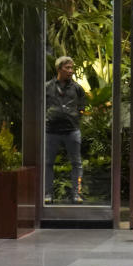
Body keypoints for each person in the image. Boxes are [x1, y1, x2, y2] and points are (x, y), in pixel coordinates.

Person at [45, 56, 86, 204]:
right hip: (51, 131)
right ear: (59, 69)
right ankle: (47, 194)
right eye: (67, 68)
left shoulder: (77, 88)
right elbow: (42, 106)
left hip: (72, 130)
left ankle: (76, 194)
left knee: (76, 163)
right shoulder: (47, 87)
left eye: (72, 68)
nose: (71, 71)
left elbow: (82, 105)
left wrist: (75, 116)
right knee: (48, 162)